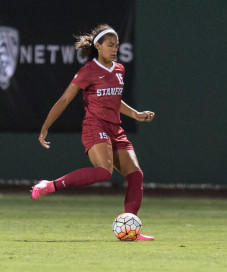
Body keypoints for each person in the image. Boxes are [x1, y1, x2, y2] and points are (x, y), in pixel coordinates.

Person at [31, 24, 155, 241]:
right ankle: (50, 186)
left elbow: (114, 99)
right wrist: (45, 127)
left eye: (116, 45)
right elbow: (65, 99)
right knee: (103, 172)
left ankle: (130, 230)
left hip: (115, 128)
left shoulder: (119, 69)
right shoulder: (88, 71)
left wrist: (135, 114)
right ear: (98, 45)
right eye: (110, 45)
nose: (114, 49)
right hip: (94, 126)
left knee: (136, 176)